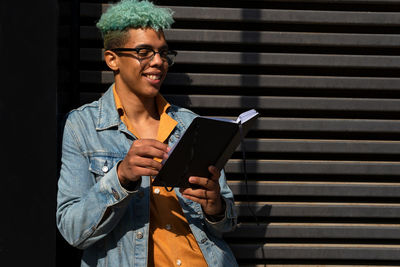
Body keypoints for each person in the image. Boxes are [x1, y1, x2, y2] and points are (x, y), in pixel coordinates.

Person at [56, 0, 238, 266]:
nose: (158, 62)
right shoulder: (82, 126)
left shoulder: (190, 124)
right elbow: (73, 231)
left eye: (163, 53)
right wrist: (121, 178)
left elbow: (226, 224)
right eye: (144, 52)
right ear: (112, 59)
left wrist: (216, 208)